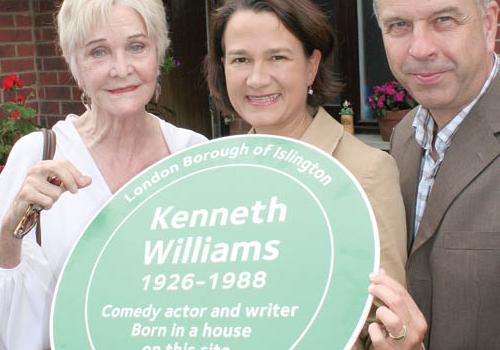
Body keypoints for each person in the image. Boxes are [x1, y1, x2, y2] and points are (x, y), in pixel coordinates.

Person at [0, 0, 207, 348]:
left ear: (159, 52)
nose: (121, 68)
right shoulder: (38, 154)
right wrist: (9, 233)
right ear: (74, 64)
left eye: (137, 46)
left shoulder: (191, 155)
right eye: (99, 52)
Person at [205, 0, 409, 348]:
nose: (257, 78)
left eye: (277, 57)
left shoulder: (366, 172)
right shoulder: (217, 176)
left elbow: (385, 323)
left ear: (311, 65)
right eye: (240, 59)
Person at [373, 0, 500, 348]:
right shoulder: (403, 137)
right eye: (398, 25)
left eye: (443, 20)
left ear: (489, 24)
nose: (420, 48)